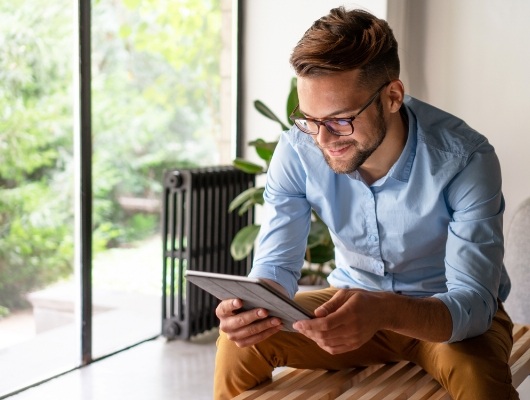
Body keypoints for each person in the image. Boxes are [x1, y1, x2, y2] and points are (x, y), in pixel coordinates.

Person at [214, 7, 518, 400]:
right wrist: (252, 309)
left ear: (392, 96)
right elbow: (275, 267)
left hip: (444, 316)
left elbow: (474, 304)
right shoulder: (297, 148)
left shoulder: (465, 159)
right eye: (310, 119)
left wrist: (385, 310)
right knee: (239, 346)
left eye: (341, 120)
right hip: (348, 306)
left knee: (480, 382)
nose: (322, 139)